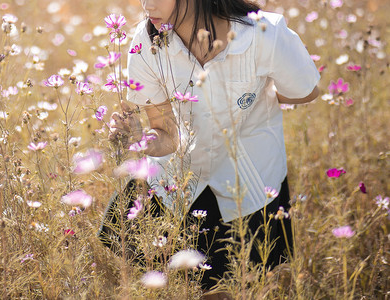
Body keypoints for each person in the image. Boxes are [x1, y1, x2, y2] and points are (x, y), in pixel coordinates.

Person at [109, 0, 320, 297]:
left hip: (247, 181)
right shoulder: (146, 44)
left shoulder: (265, 34)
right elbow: (168, 135)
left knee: (240, 285)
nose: (148, 4)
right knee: (167, 282)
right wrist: (140, 139)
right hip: (181, 181)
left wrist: (261, 95)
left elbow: (305, 90)